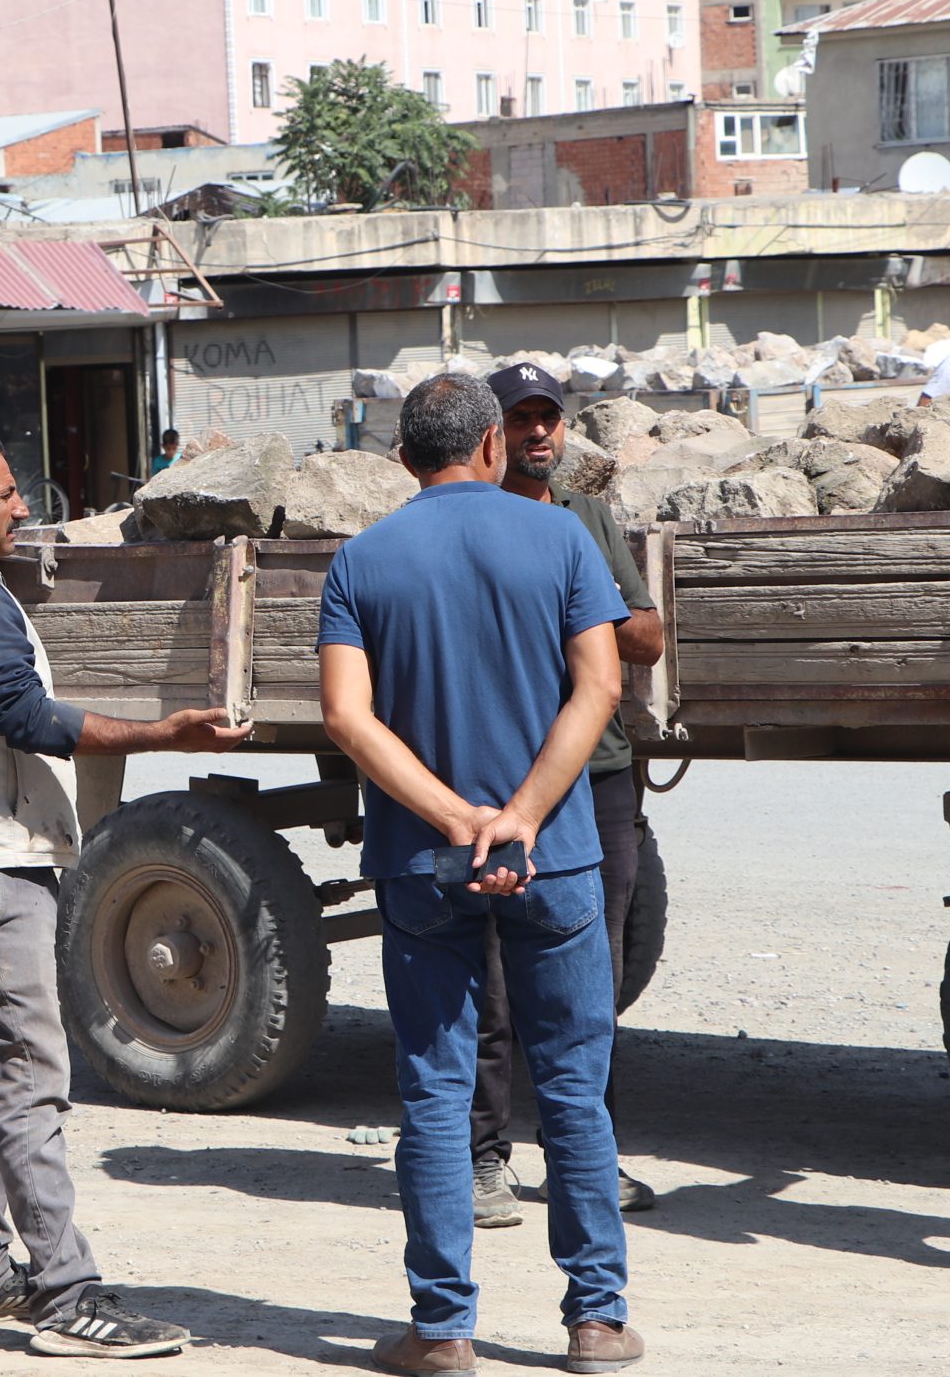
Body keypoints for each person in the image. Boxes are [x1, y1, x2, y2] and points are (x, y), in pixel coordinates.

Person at [0, 426, 250, 1355]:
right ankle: (67, 1295)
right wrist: (167, 733)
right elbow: (27, 717)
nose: (22, 507)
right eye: (5, 493)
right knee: (27, 1080)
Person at [318, 376, 643, 1376]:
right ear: (494, 444)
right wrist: (524, 815)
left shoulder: (360, 561)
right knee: (575, 1094)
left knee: (433, 1088)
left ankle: (443, 1330)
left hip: (425, 861)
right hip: (556, 855)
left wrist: (455, 819)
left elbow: (346, 718)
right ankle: (594, 1321)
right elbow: (602, 683)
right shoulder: (559, 540)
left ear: (403, 457)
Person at [473, 364, 666, 1230]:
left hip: (599, 775)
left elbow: (649, 637)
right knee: (491, 976)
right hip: (502, 778)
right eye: (522, 420)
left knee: (597, 975)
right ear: (492, 432)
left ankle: (583, 1151)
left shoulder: (585, 521)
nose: (539, 434)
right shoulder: (472, 519)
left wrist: (580, 593)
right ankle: (483, 1158)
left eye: (549, 419)